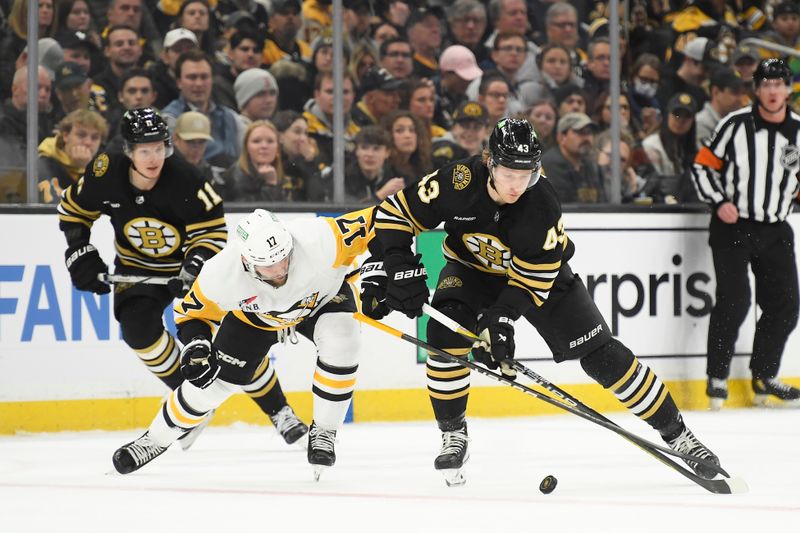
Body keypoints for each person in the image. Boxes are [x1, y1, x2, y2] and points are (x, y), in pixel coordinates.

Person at [362, 118, 722, 486]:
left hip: (540, 279)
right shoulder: (458, 181)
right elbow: (394, 213)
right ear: (489, 162)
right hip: (470, 270)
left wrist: (499, 320)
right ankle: (453, 434)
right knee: (443, 336)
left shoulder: (542, 204)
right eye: (507, 173)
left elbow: (533, 280)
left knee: (604, 356)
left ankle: (680, 436)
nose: (517, 184)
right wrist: (394, 267)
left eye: (526, 174)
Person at [57, 108, 307, 449]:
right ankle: (190, 400)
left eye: (159, 147)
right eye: (144, 150)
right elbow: (74, 212)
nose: (153, 157)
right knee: (139, 333)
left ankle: (280, 411)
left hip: (192, 271)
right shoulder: (105, 172)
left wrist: (193, 268)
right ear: (128, 151)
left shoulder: (186, 179)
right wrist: (79, 250)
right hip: (137, 268)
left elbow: (213, 232)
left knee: (234, 345)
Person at [111, 206, 375, 478]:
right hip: (258, 318)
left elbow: (384, 220)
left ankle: (325, 430)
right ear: (246, 260)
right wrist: (198, 344)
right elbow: (191, 315)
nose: (280, 270)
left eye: (284, 259)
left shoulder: (319, 237)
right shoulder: (220, 273)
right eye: (268, 265)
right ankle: (154, 439)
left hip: (322, 299)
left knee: (343, 341)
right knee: (212, 386)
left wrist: (383, 269)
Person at [691, 58, 800, 409]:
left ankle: (764, 375)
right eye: (765, 84)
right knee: (735, 300)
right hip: (733, 225)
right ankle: (717, 377)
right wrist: (718, 201)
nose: (772, 91)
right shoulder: (734, 125)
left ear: (788, 88)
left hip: (776, 227)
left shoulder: (798, 131)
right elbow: (702, 165)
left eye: (778, 84)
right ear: (756, 89)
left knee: (785, 304)